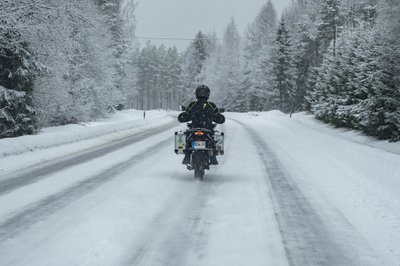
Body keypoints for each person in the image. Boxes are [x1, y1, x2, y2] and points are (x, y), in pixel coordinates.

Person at [178, 85, 225, 165]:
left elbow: (185, 116)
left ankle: (187, 155)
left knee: (186, 139)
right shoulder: (211, 105)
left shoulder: (192, 105)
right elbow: (219, 118)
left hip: (194, 129)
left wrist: (183, 116)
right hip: (208, 130)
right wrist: (218, 117)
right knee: (215, 138)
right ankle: (213, 156)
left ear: (196, 94)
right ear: (208, 94)